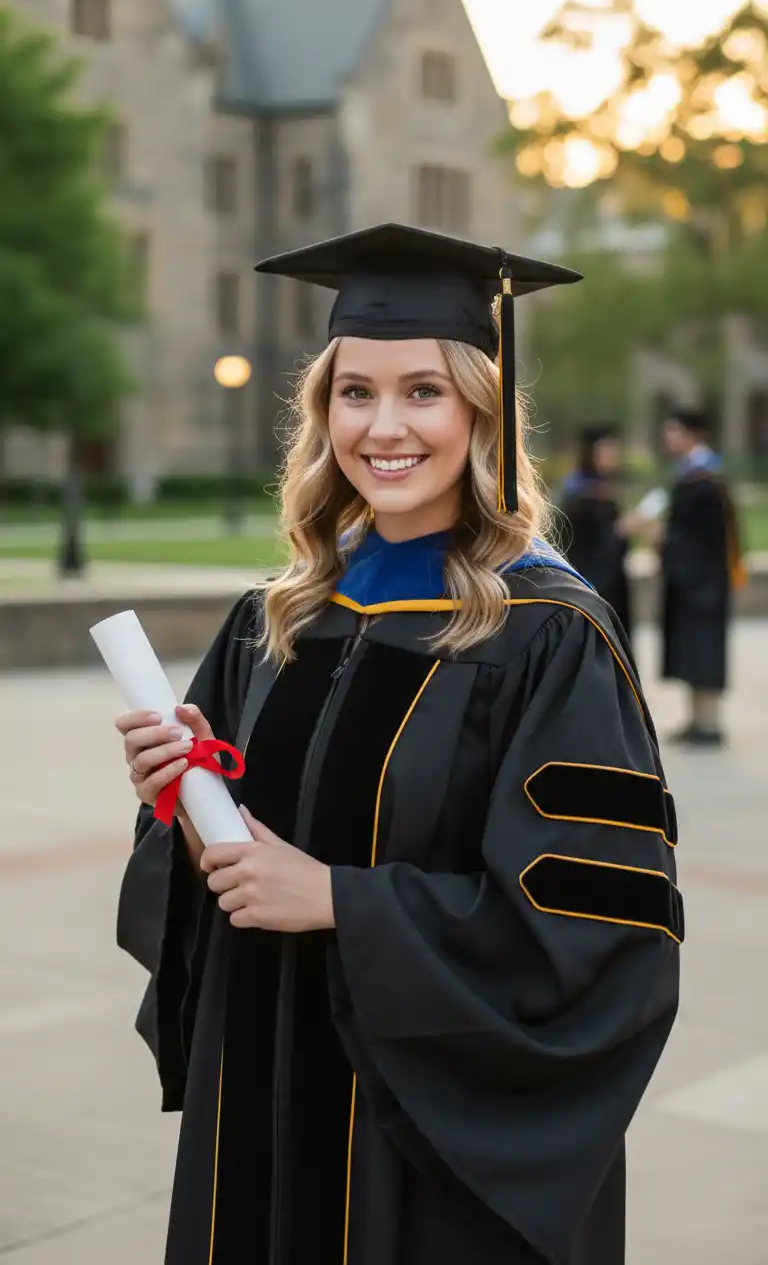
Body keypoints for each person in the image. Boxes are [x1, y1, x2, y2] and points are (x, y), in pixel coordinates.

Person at [115, 224, 681, 1265]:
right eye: (355, 393)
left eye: (424, 391)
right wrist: (184, 816)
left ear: (481, 410)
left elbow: (596, 935)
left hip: (425, 1155)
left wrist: (341, 901)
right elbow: (215, 892)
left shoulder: (549, 635)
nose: (384, 427)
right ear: (322, 412)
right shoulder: (273, 623)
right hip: (258, 1106)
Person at [657, 406, 744, 747]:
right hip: (693, 581)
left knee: (704, 651)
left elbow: (703, 540)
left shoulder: (706, 481)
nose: (667, 438)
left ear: (692, 435)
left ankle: (710, 723)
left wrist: (664, 541)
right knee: (692, 651)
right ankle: (697, 720)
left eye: (673, 431)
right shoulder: (692, 476)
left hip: (704, 584)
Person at [560, 425, 632, 638]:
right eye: (607, 450)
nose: (613, 456)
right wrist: (619, 532)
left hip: (612, 584)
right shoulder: (578, 496)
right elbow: (579, 546)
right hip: (591, 583)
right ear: (591, 454)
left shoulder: (605, 491)